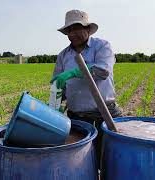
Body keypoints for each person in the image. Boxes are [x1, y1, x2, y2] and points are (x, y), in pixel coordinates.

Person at [51, 9, 122, 168]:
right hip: (77, 116)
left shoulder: (102, 46)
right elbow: (58, 84)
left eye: (76, 28)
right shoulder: (63, 55)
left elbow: (103, 71)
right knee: (81, 163)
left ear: (88, 29)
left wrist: (74, 72)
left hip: (105, 113)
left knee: (109, 160)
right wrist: (56, 98)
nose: (72, 33)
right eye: (69, 30)